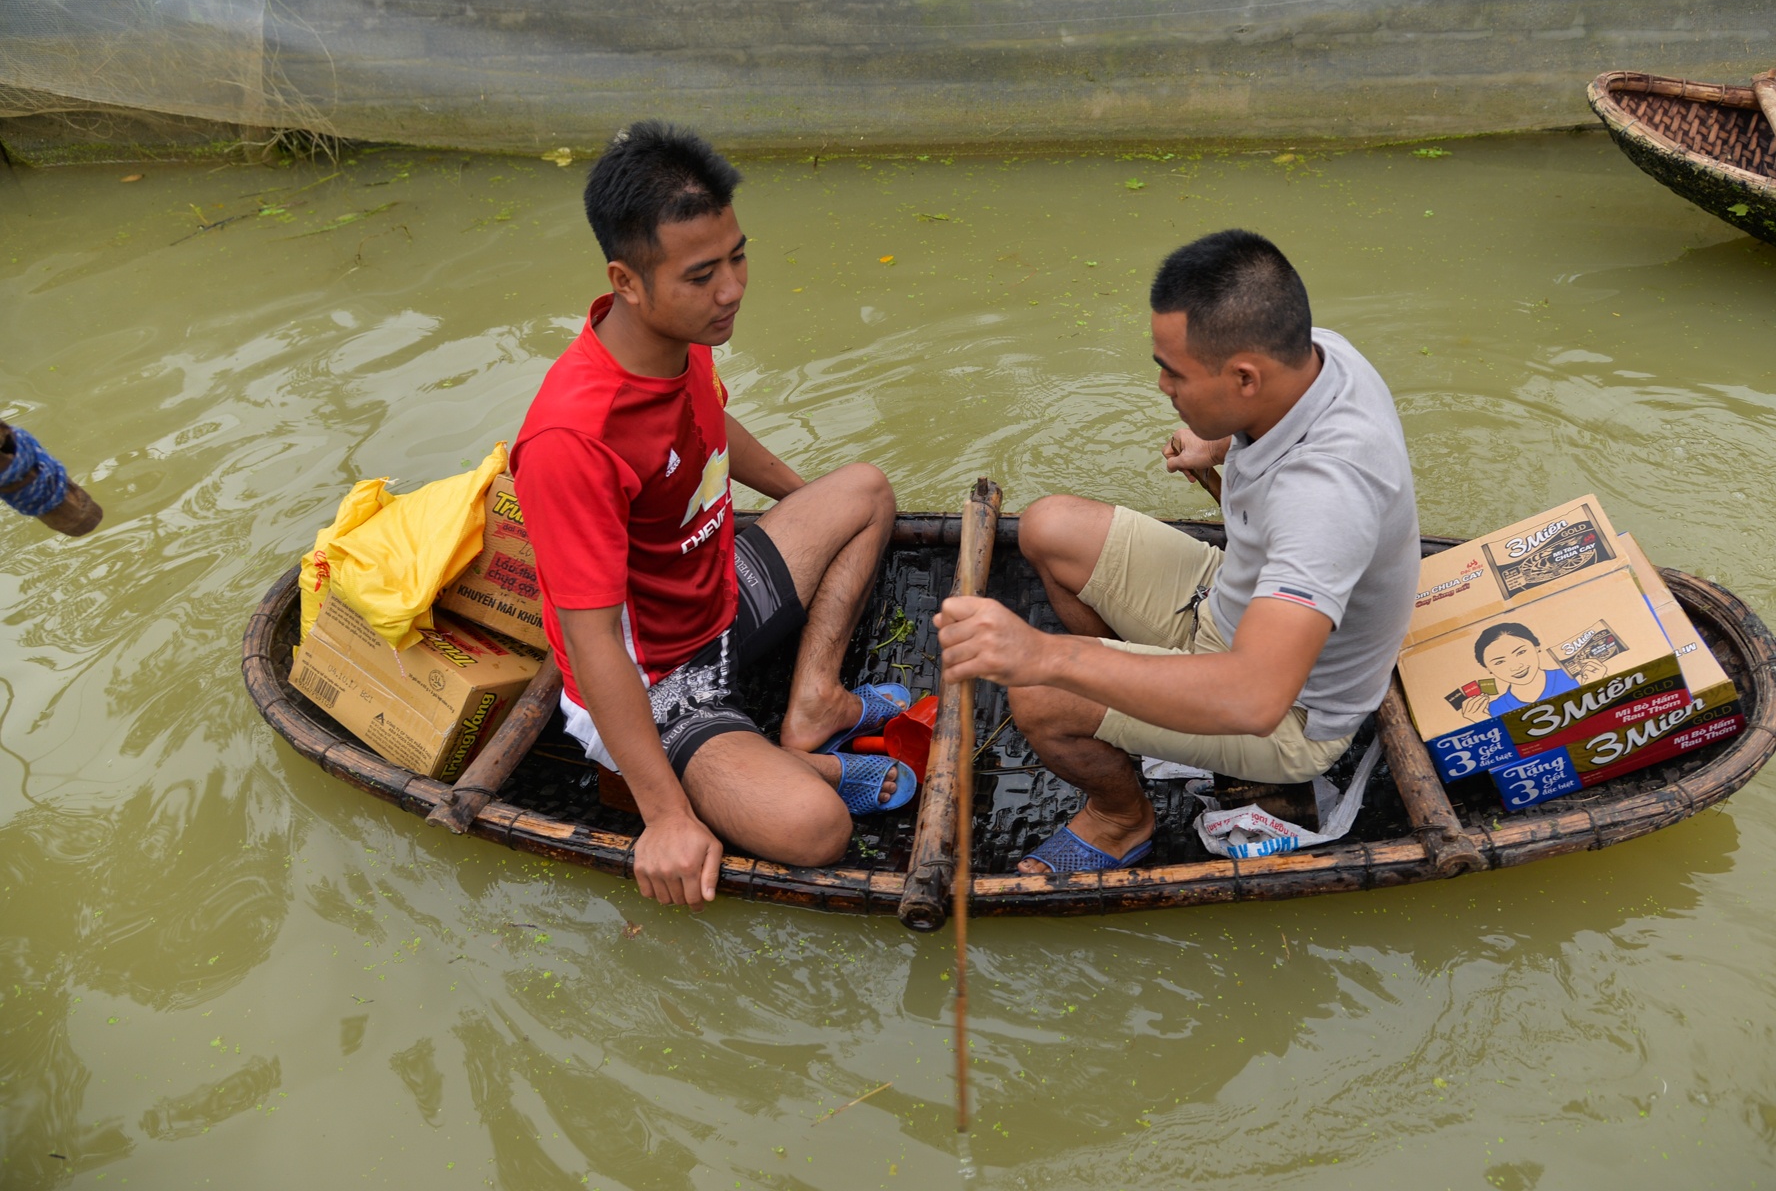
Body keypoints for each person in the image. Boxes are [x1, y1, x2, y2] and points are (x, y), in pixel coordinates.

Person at [511, 122, 913, 912]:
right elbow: (592, 642)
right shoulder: (573, 439)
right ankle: (805, 769)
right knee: (815, 829)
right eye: (702, 274)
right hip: (658, 677)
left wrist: (805, 502)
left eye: (737, 256)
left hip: (717, 588)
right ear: (626, 282)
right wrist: (664, 817)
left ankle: (815, 705)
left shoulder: (681, 334)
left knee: (862, 491)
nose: (732, 288)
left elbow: (710, 426)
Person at [935, 230, 1419, 873]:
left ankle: (1120, 817)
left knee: (1041, 692)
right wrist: (1216, 444)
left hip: (1290, 713)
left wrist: (1044, 653)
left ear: (1245, 377)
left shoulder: (1329, 496)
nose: (1163, 386)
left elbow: (1255, 697)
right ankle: (1142, 707)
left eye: (1175, 373)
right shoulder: (1319, 355)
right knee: (1049, 528)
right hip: (1226, 599)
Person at [1460, 622, 1596, 722]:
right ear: (1488, 669)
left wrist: (1596, 686)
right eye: (1499, 662)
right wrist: (1483, 722)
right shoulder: (1492, 710)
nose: (1515, 666)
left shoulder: (1576, 676)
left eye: (1521, 652)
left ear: (1537, 647)